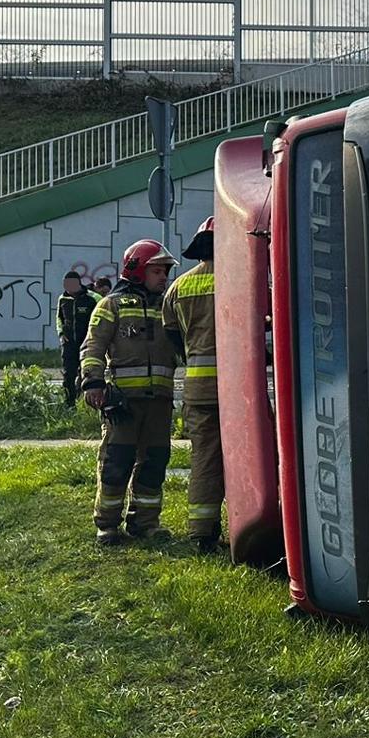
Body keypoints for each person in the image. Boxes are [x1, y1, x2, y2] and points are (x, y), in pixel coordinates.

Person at [80, 241, 180, 545]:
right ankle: (107, 525)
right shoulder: (110, 305)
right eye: (157, 270)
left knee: (154, 462)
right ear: (137, 270)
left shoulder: (167, 307)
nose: (163, 277)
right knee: (116, 462)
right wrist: (93, 382)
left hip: (159, 403)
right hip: (123, 402)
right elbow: (93, 345)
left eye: (165, 271)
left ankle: (145, 523)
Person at [164, 217, 225, 554]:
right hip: (237, 389)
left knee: (204, 458)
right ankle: (262, 525)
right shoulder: (239, 276)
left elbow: (171, 332)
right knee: (258, 453)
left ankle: (202, 532)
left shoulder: (178, 287)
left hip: (197, 389)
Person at [55, 270, 102, 407]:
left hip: (87, 343)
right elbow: (59, 318)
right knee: (68, 374)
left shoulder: (94, 298)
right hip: (69, 344)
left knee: (88, 374)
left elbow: (101, 318)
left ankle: (88, 405)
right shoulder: (62, 299)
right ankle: (70, 404)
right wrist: (61, 334)